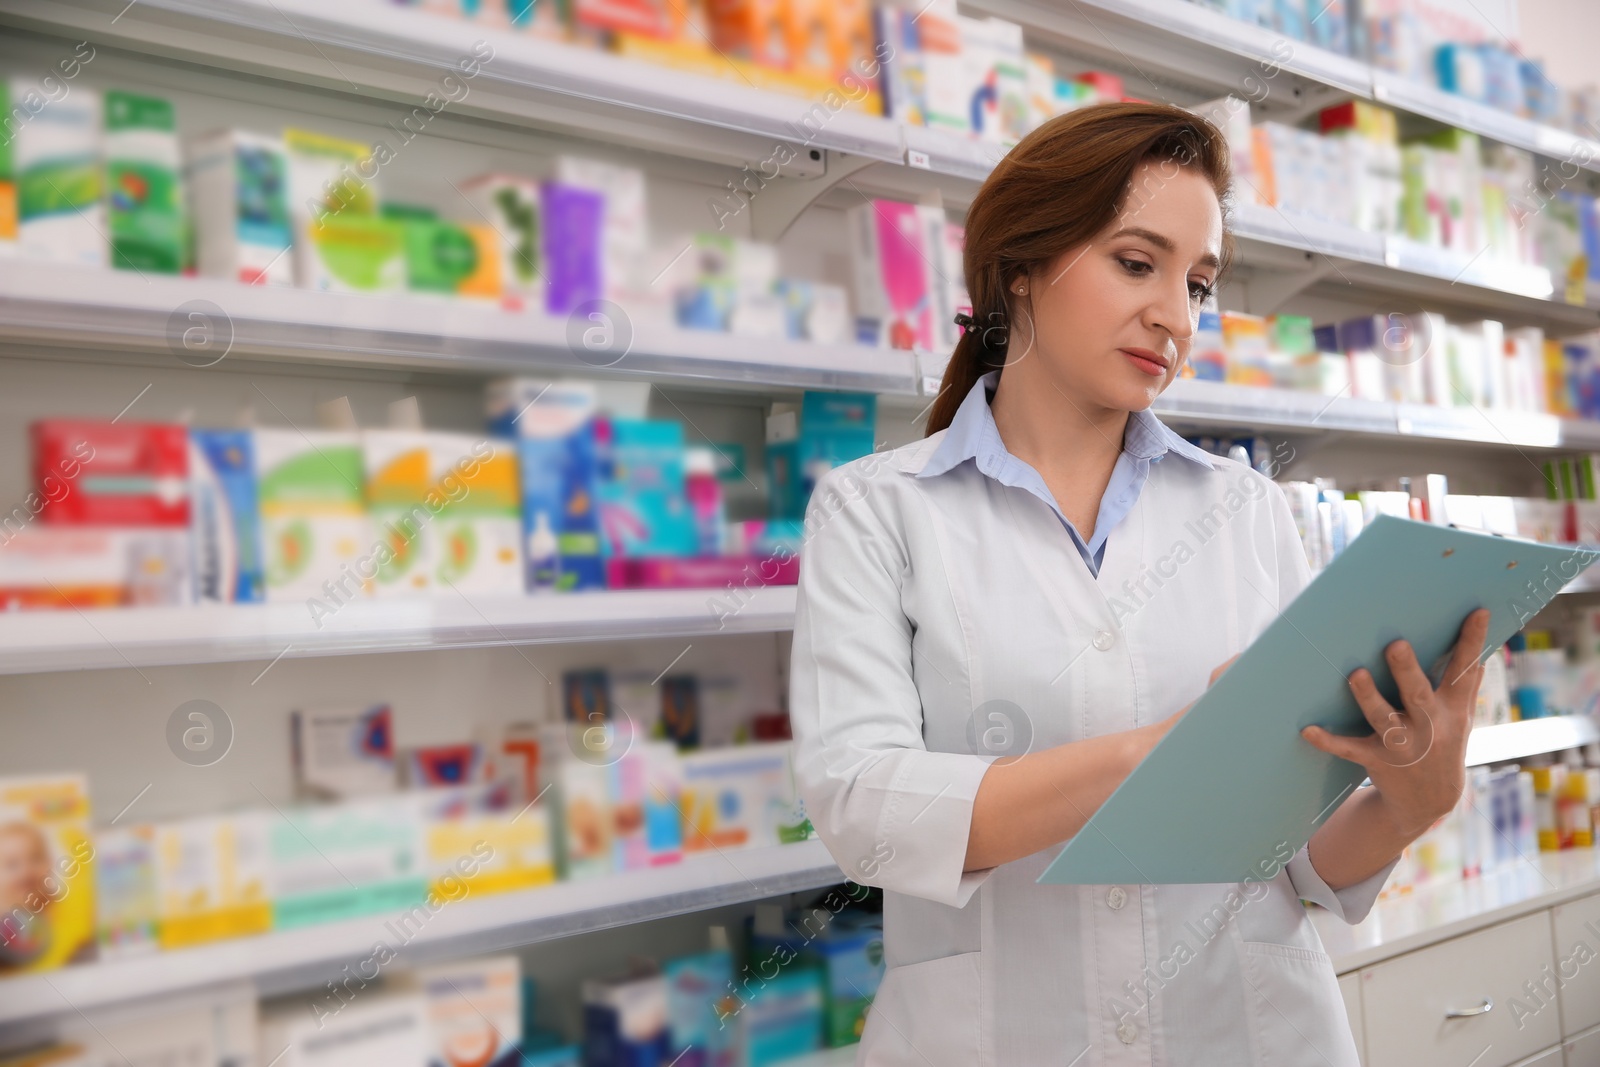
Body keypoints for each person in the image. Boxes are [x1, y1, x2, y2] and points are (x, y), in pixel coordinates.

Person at [789, 102, 1488, 1066]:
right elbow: (866, 810)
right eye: (1135, 262)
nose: (1175, 314)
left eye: (1198, 282)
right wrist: (1158, 759)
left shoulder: (1244, 509)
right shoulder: (876, 510)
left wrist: (1413, 800)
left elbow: (1299, 860)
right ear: (1021, 267)